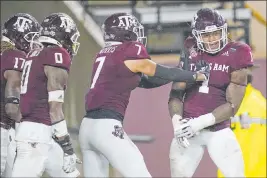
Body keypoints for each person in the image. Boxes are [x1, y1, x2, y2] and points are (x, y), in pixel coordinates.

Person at [79, 12, 210, 177]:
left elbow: (147, 81)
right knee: (138, 172)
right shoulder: (129, 49)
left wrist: (179, 74)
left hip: (87, 128)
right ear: (126, 32)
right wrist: (195, 75)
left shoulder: (105, 54)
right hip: (106, 127)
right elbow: (158, 71)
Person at [168, 8, 253, 177]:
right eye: (206, 35)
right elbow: (176, 94)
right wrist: (177, 124)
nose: (212, 39)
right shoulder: (190, 48)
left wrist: (198, 123)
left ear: (224, 31)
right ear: (196, 36)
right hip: (187, 128)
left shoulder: (238, 52)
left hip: (218, 130)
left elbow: (232, 106)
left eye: (215, 33)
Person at [12, 13, 81, 177]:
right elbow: (55, 108)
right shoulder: (56, 54)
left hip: (40, 131)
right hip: (37, 133)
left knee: (70, 175)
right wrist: (67, 147)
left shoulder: (33, 54)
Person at [0, 13, 41, 177]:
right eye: (31, 37)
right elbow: (11, 107)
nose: (34, 43)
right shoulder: (15, 56)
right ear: (19, 35)